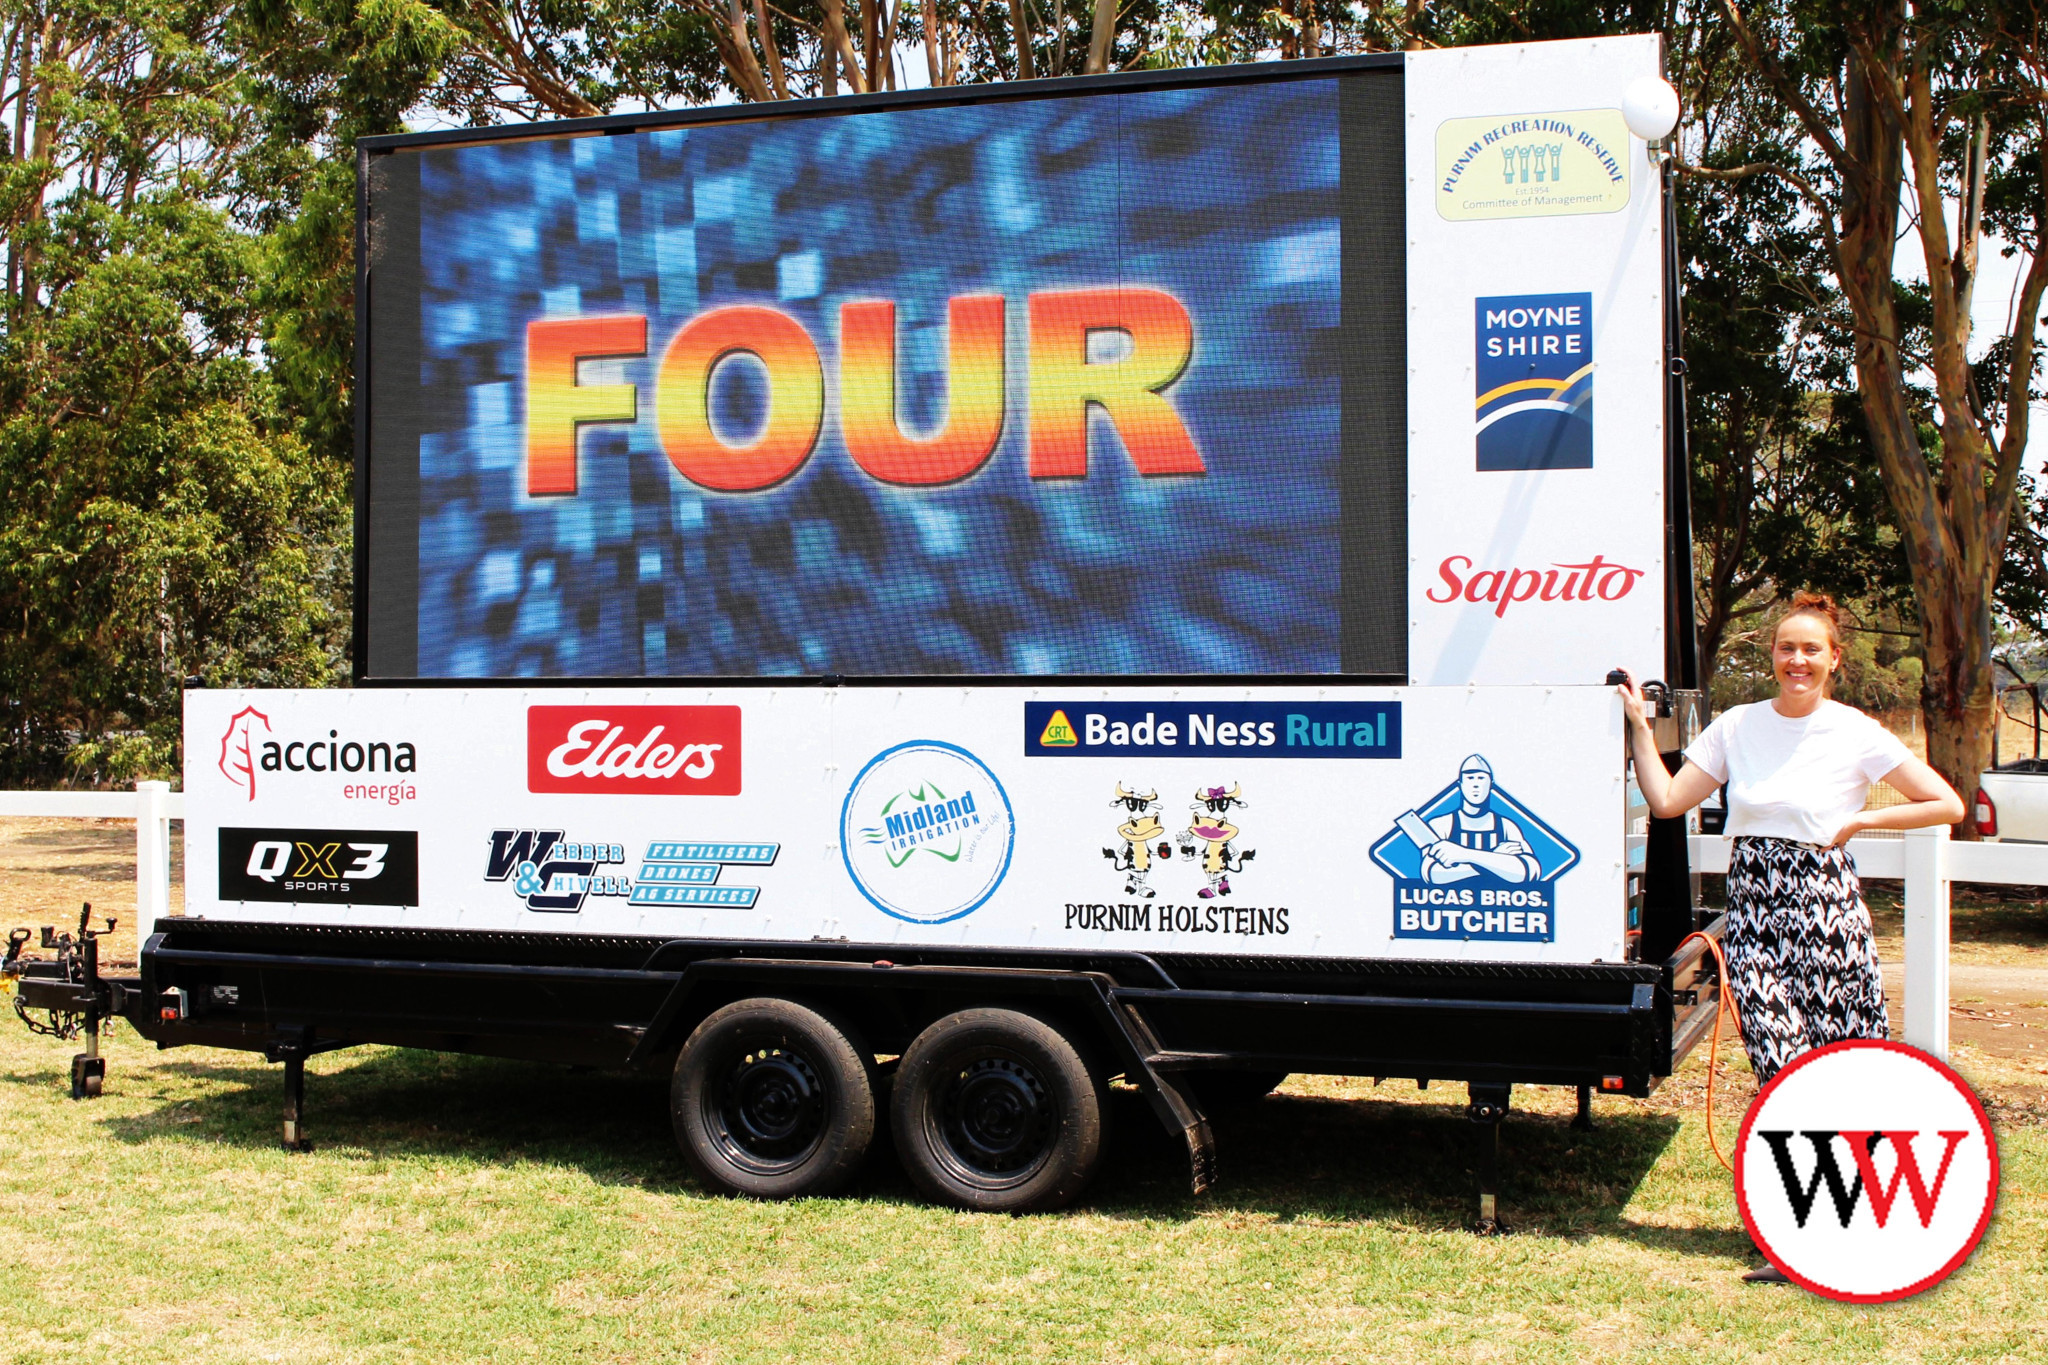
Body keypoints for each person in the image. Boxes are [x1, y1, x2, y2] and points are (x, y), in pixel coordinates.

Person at [1616, 591, 1963, 1285]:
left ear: (1834, 659)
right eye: (1785, 647)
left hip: (1827, 910)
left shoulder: (1856, 730)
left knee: (1846, 1069)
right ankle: (1794, 1235)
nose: (1796, 659)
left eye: (1811, 649)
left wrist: (1862, 823)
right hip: (1756, 908)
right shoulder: (1739, 726)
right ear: (1772, 655)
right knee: (1778, 1066)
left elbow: (1946, 802)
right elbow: (1667, 801)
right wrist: (1636, 728)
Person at [1422, 755, 1540, 884]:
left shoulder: (1506, 826)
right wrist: (1497, 859)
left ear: (1491, 784)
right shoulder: (1441, 824)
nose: (1476, 785)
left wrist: (1463, 854)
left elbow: (1529, 872)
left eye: (1481, 778)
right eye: (1470, 778)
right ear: (1460, 784)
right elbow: (1431, 875)